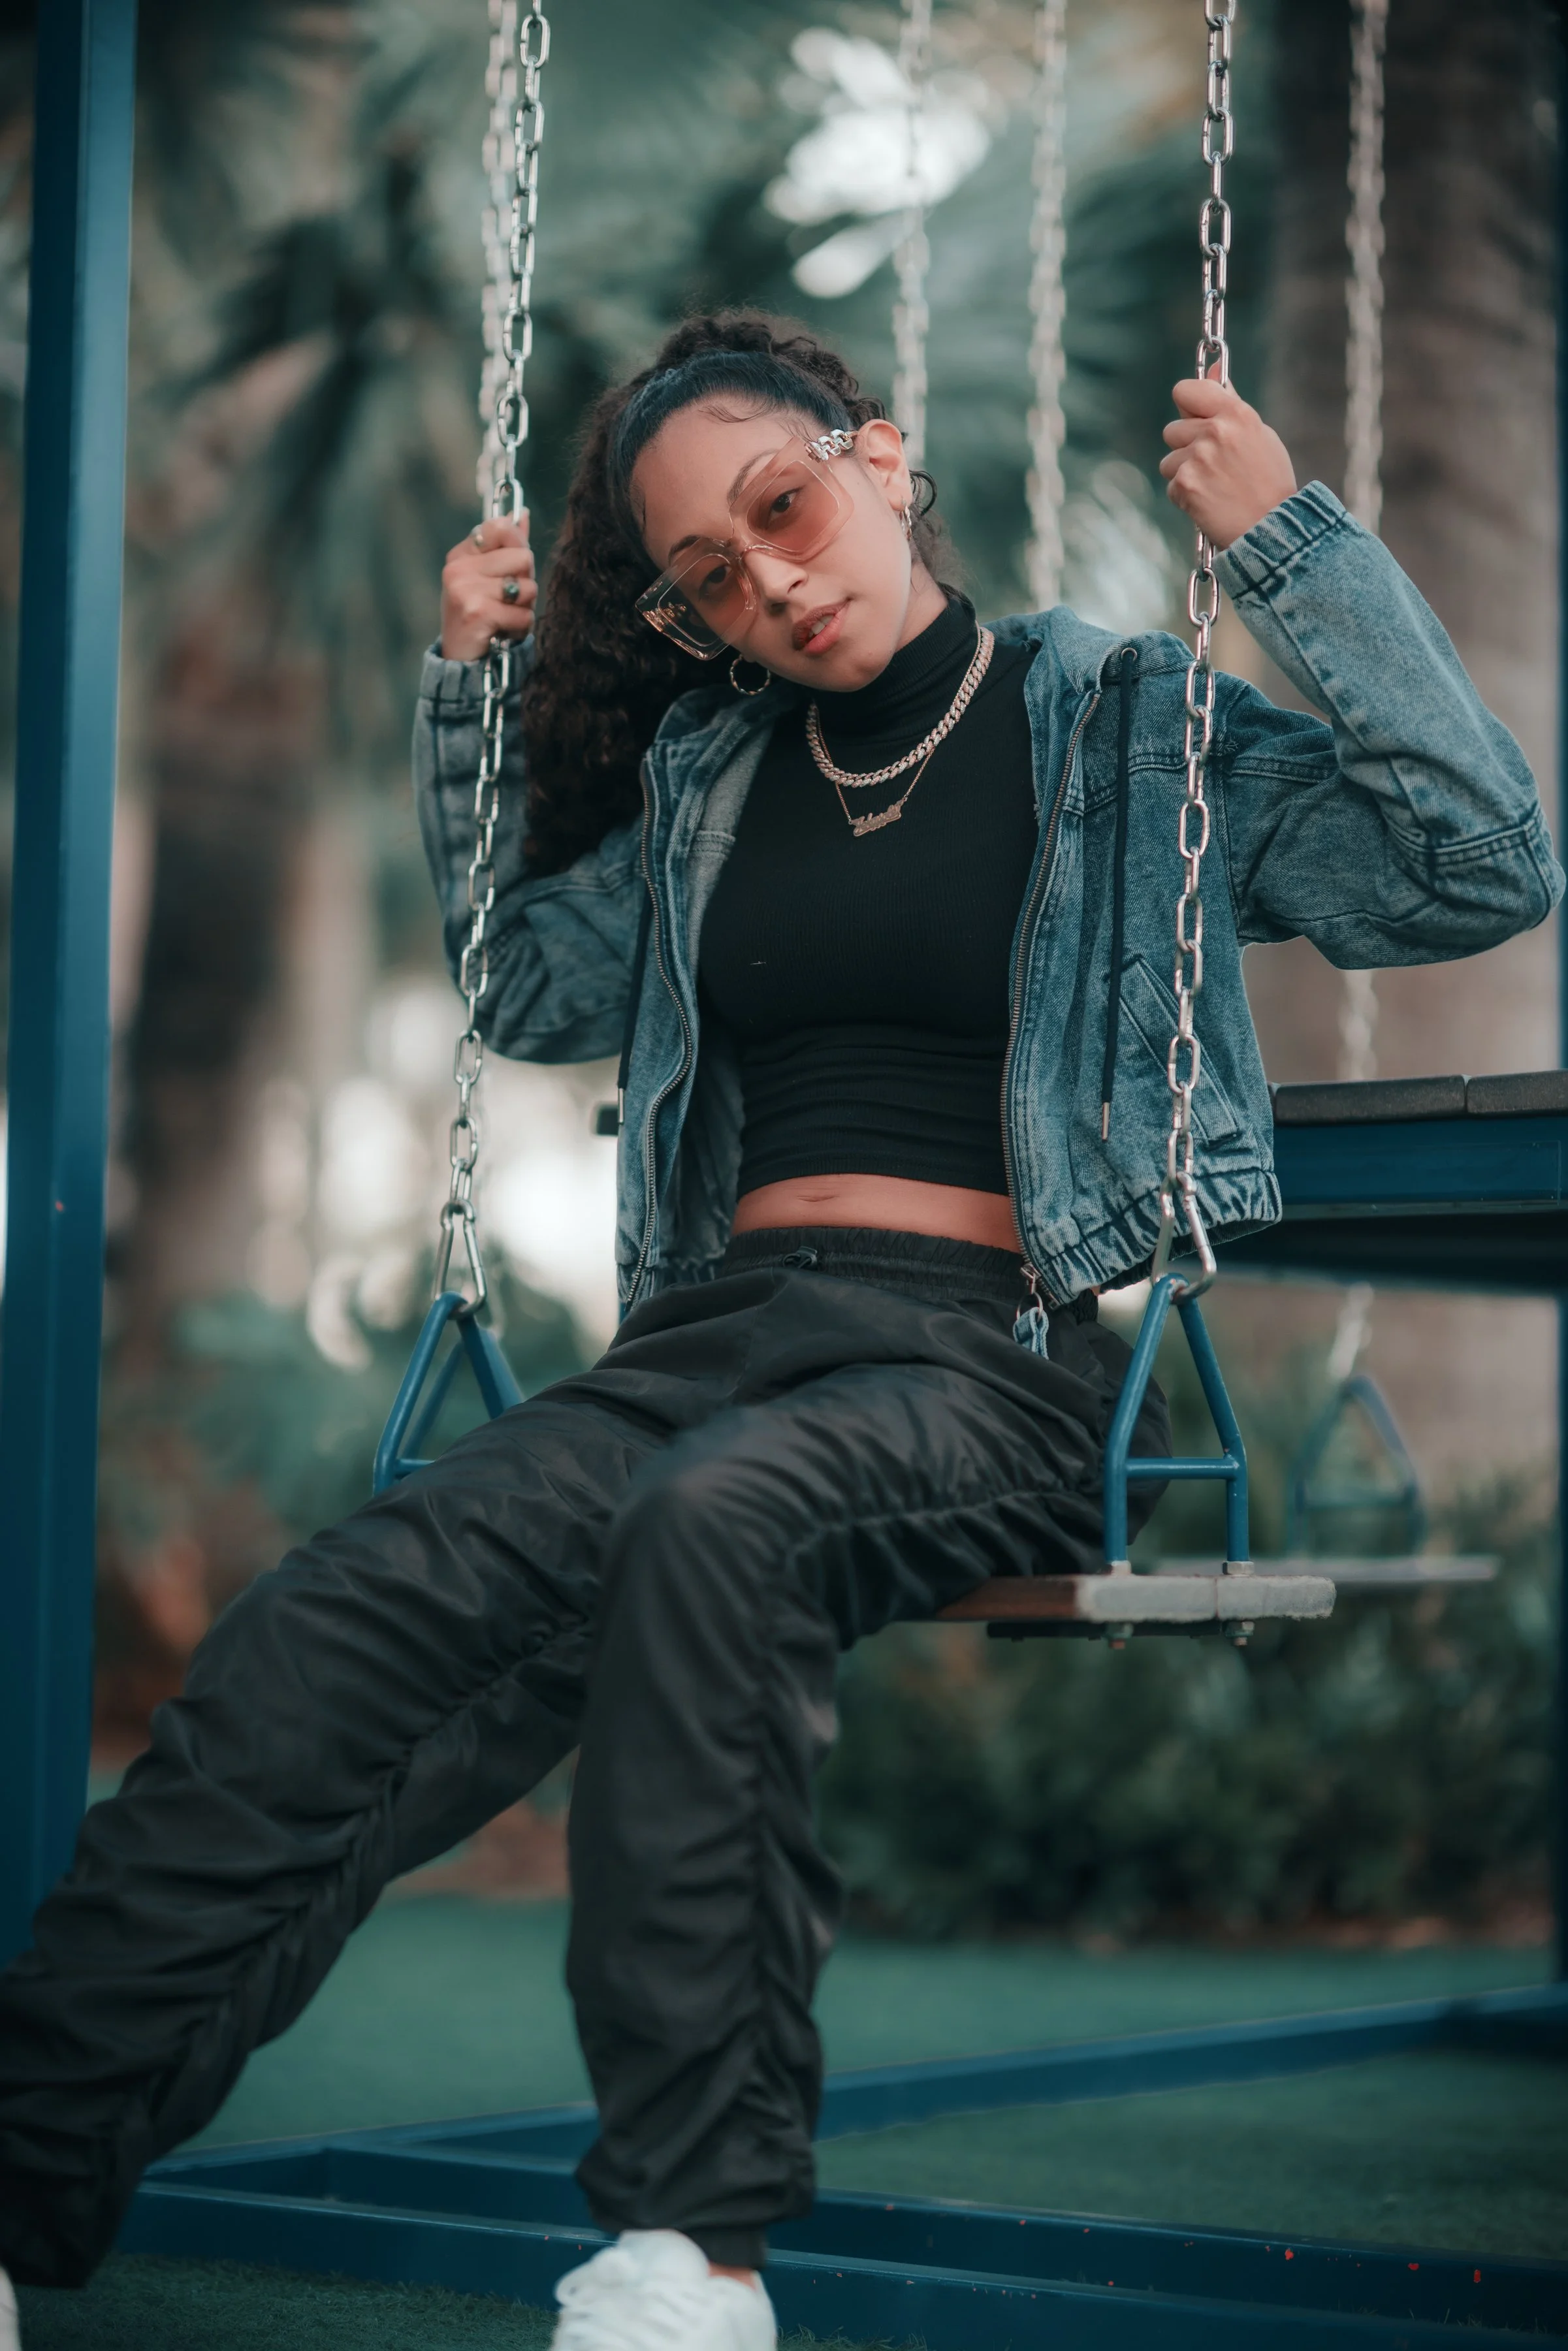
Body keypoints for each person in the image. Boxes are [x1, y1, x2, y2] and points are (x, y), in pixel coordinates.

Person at [0, 308, 1557, 2351]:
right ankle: (20, 2187)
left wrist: (1290, 551)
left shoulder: (1123, 726)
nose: (774, 585)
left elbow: (1478, 863)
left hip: (988, 1358)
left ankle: (689, 2251)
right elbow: (528, 990)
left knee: (713, 1530)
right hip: (711, 1333)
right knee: (328, 1638)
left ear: (884, 458)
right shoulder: (714, 773)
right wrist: (464, 703)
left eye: (787, 508)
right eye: (712, 580)